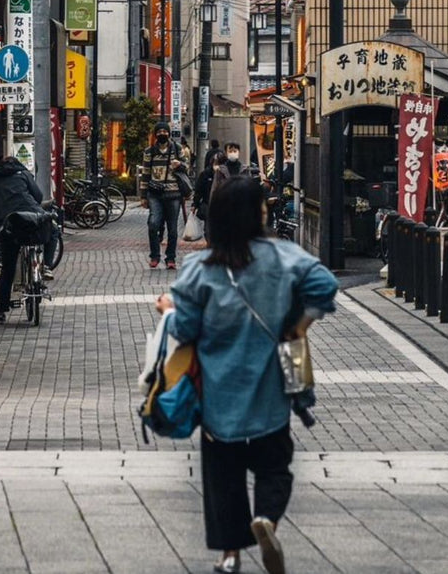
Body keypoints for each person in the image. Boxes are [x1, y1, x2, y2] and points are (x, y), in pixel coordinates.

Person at [158, 177, 339, 574]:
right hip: (270, 388)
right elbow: (325, 285)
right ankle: (267, 520)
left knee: (222, 476)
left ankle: (230, 557)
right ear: (254, 215)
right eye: (261, 207)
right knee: (275, 466)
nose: (265, 211)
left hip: (218, 393)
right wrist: (299, 327)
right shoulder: (283, 256)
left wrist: (168, 310)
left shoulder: (199, 269)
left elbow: (185, 330)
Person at [0, 154, 45, 323]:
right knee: (51, 232)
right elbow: (38, 197)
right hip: (28, 220)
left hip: (6, 226)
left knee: (8, 268)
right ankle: (45, 268)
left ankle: (1, 312)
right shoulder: (24, 174)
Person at [138, 122, 187, 269]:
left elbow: (187, 168)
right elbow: (145, 174)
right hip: (155, 194)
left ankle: (170, 258)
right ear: (155, 134)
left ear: (169, 133)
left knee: (172, 228)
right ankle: (155, 256)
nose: (162, 134)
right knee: (153, 224)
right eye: (159, 132)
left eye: (164, 131)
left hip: (174, 194)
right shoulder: (149, 152)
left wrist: (180, 165)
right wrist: (143, 196)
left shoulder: (178, 150)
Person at [189, 142, 244, 242]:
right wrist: (196, 204)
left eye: (235, 151)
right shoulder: (210, 173)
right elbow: (203, 190)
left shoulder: (244, 169)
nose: (233, 153)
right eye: (230, 151)